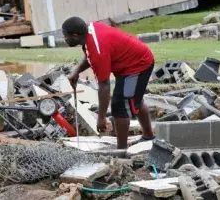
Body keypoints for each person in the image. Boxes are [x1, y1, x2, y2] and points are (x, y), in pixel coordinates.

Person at [62, 16, 156, 149]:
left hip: (137, 67)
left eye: (65, 36)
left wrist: (101, 118)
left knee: (119, 106)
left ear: (75, 36)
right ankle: (148, 137)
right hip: (132, 62)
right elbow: (90, 54)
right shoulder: (89, 31)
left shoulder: (97, 49)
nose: (64, 39)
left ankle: (121, 151)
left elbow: (104, 86)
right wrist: (76, 70)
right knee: (135, 100)